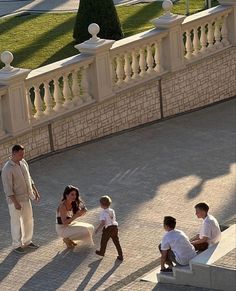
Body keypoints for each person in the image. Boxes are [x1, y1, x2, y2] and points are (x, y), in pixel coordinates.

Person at [1, 144, 40, 254]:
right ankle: (16, 244)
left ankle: (27, 241)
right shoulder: (7, 169)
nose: (22, 156)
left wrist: (35, 191)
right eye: (20, 154)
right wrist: (15, 202)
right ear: (13, 153)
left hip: (26, 197)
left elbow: (29, 178)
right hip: (15, 201)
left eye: (23, 153)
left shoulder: (23, 163)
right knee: (16, 222)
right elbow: (7, 188)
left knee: (28, 219)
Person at [95, 195, 123, 261]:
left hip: (107, 229)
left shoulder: (103, 213)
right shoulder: (112, 210)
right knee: (116, 242)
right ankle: (120, 255)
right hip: (114, 227)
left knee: (104, 241)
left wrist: (97, 229)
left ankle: (102, 252)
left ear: (102, 204)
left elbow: (103, 223)